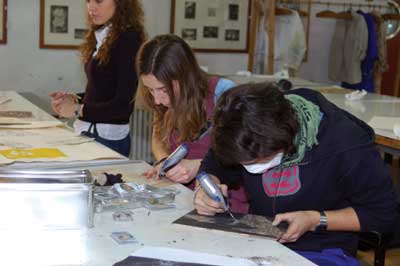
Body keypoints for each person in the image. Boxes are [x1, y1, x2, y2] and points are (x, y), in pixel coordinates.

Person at [194, 82, 396, 264]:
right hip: (258, 241)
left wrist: (314, 220)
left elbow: (383, 213)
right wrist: (206, 186)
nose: (247, 168)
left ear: (280, 143)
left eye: (253, 162)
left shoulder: (346, 145)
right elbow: (214, 163)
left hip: (323, 250)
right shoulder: (243, 130)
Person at [136, 34, 248, 213]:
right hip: (184, 200)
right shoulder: (161, 101)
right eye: (150, 90)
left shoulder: (223, 93)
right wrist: (165, 161)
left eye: (163, 89)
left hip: (225, 204)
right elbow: (158, 136)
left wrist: (199, 165)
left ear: (185, 77)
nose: (157, 99)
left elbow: (248, 156)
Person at [50, 0, 146, 157]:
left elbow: (122, 106)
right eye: (88, 0)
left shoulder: (129, 39)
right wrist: (74, 98)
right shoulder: (104, 34)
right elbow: (102, 89)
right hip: (90, 131)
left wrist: (76, 109)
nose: (91, 7)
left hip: (106, 138)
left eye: (99, 1)